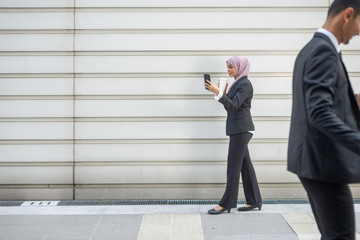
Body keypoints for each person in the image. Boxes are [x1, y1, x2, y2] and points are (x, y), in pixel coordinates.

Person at [288, 0, 360, 239]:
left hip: (313, 162)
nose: (359, 31)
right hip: (325, 164)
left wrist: (353, 100)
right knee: (342, 235)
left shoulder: (312, 48)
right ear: (348, 15)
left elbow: (319, 101)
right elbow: (318, 111)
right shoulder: (323, 51)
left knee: (333, 234)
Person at [205, 56, 262, 215]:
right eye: (227, 67)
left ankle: (226, 203)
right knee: (245, 166)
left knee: (233, 167)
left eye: (231, 67)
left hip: (241, 130)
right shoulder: (238, 83)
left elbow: (234, 106)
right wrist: (222, 94)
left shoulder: (245, 84)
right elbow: (231, 108)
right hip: (238, 129)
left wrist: (220, 93)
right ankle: (254, 200)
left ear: (240, 67)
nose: (229, 70)